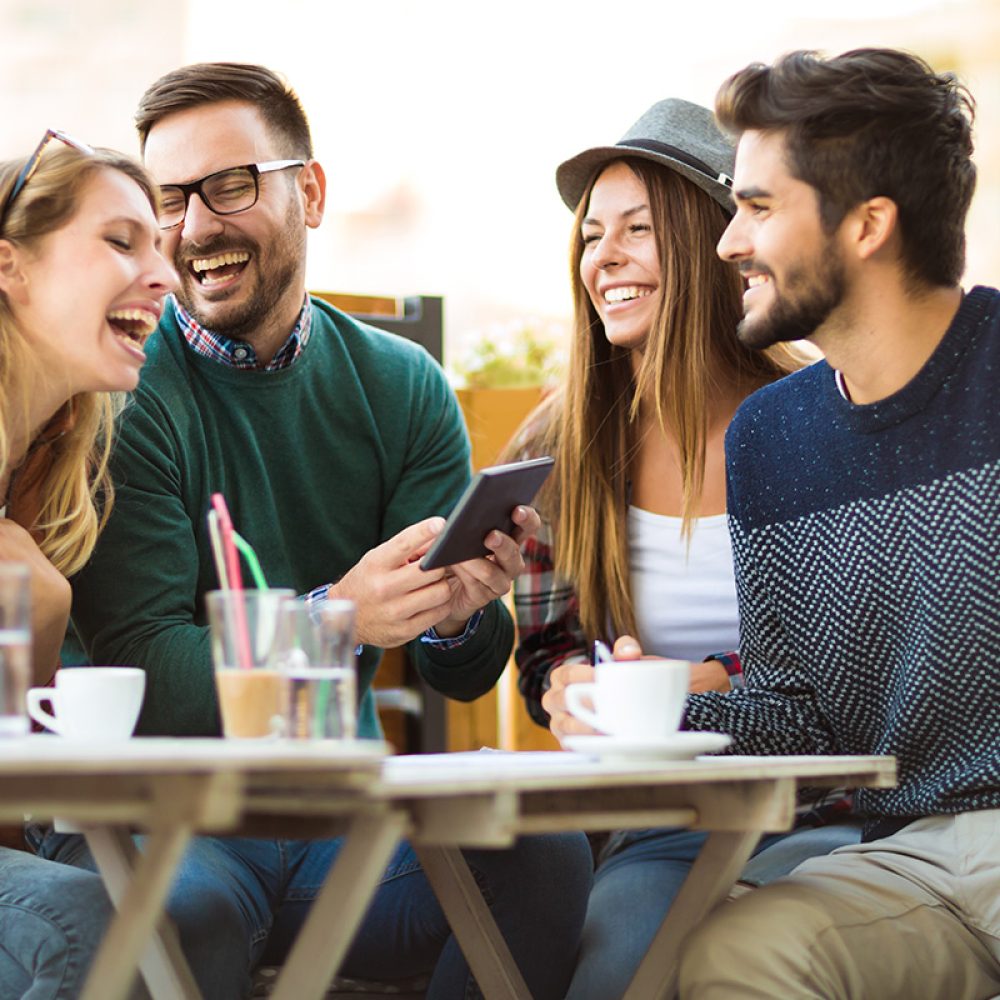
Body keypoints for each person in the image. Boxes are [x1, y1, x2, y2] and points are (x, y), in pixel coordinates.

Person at [32, 63, 592, 1000]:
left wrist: (454, 611)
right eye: (169, 199)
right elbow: (148, 670)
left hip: (343, 822)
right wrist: (334, 619)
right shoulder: (123, 386)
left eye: (231, 184)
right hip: (158, 819)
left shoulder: (401, 384)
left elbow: (461, 669)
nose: (196, 225)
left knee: (544, 854)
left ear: (312, 191)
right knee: (183, 919)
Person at [509, 99, 860, 1000]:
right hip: (664, 819)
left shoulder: (824, 421)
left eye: (638, 229)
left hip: (831, 812)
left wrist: (709, 682)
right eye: (593, 235)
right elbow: (546, 649)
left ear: (718, 241)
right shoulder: (562, 447)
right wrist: (569, 689)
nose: (606, 257)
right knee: (620, 964)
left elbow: (860, 657)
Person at [673, 48, 1000, 999]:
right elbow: (800, 715)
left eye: (759, 207)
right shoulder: (771, 439)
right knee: (736, 953)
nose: (730, 242)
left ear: (868, 225)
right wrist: (653, 713)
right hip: (914, 859)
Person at [0, 134, 176, 996]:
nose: (165, 275)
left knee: (173, 913)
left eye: (158, 247)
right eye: (120, 241)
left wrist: (41, 610)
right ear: (9, 266)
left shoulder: (40, 467)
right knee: (87, 919)